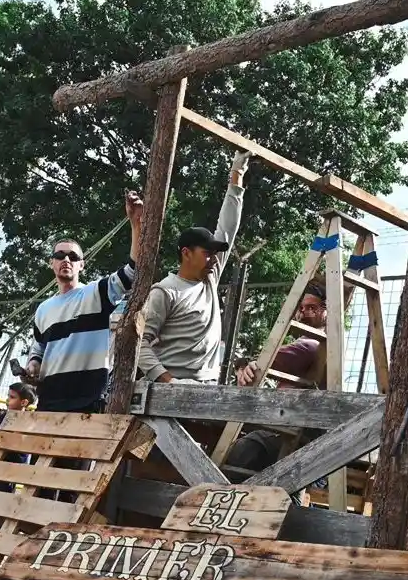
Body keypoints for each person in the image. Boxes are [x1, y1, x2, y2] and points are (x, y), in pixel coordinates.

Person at [23, 192, 142, 412]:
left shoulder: (95, 294)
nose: (66, 260)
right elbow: (38, 350)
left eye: (73, 257)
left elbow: (132, 272)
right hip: (49, 402)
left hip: (88, 402)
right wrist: (32, 366)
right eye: (60, 255)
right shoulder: (43, 309)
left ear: (81, 265)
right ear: (51, 263)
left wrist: (136, 225)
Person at [138, 154, 248, 385]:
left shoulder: (210, 279)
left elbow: (227, 229)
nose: (214, 259)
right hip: (170, 388)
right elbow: (140, 344)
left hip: (207, 387)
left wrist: (237, 175)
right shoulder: (165, 292)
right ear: (186, 253)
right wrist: (169, 381)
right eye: (207, 253)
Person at [225, 284, 329, 476]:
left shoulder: (310, 345)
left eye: (312, 307)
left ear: (325, 311)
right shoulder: (318, 345)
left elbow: (263, 362)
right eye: (301, 308)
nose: (304, 313)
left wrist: (244, 365)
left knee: (240, 450)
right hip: (290, 426)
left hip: (288, 430)